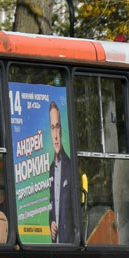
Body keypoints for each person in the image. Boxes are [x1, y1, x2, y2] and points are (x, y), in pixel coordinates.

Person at [49, 103, 75, 243]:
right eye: (52, 128)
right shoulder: (51, 169)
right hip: (55, 247)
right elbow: (51, 204)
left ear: (62, 129)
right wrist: (51, 222)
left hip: (70, 247)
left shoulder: (71, 166)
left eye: (57, 126)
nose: (56, 136)